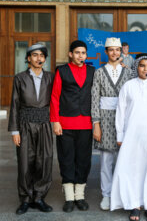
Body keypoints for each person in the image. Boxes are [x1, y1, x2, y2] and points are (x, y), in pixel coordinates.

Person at [111, 53, 147, 221]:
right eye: (142, 65)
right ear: (137, 67)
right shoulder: (128, 86)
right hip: (132, 135)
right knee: (133, 169)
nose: (145, 69)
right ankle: (134, 204)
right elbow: (120, 113)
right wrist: (120, 135)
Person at [8, 43, 54, 215]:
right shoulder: (20, 78)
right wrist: (15, 130)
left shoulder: (51, 77)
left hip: (44, 124)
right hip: (25, 124)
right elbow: (14, 104)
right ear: (28, 58)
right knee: (25, 163)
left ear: (45, 59)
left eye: (42, 55)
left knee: (45, 160)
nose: (38, 58)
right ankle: (26, 199)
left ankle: (39, 197)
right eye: (34, 55)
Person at [50, 40, 95, 213]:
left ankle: (80, 196)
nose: (80, 56)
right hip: (65, 123)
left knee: (83, 159)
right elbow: (55, 96)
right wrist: (55, 121)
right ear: (70, 54)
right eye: (77, 52)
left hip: (86, 123)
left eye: (83, 53)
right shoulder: (62, 71)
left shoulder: (92, 71)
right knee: (66, 158)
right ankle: (69, 197)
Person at [91, 37, 132, 211]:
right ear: (106, 52)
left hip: (124, 119)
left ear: (121, 51)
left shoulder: (129, 72)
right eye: (111, 50)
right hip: (105, 117)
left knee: (124, 158)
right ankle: (106, 194)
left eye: (117, 49)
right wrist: (96, 123)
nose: (114, 53)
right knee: (106, 159)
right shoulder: (99, 72)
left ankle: (121, 193)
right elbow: (94, 98)